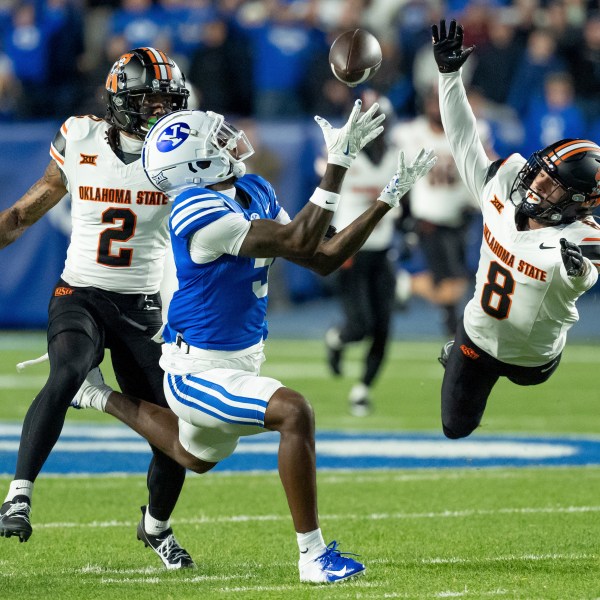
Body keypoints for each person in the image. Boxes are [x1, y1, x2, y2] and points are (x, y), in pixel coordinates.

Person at [71, 102, 436, 582]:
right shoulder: (195, 211)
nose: (229, 140)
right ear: (195, 165)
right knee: (294, 411)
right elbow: (302, 240)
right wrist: (339, 164)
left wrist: (387, 199)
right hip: (197, 369)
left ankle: (94, 393)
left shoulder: (253, 188)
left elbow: (320, 256)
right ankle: (313, 557)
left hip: (241, 361)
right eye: (216, 140)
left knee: (193, 456)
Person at [0, 47, 196, 570]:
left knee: (177, 435)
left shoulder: (182, 153)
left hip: (143, 303)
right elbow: (25, 210)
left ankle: (155, 526)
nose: (161, 111)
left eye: (167, 101)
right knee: (67, 370)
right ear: (120, 102)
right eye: (149, 101)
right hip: (80, 291)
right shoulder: (80, 136)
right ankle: (18, 493)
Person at [431, 19, 600, 440]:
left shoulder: (583, 238)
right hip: (479, 333)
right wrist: (449, 77)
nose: (536, 183)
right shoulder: (505, 186)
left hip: (535, 359)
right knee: (455, 428)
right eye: (540, 172)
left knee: (527, 377)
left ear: (578, 203)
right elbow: (465, 140)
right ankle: (461, 349)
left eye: (551, 184)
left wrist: (577, 275)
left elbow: (584, 272)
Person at [323, 92, 402, 417]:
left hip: (382, 253)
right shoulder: (343, 156)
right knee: (361, 326)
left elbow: (404, 200)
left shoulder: (397, 155)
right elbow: (323, 198)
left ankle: (362, 390)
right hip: (350, 251)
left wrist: (407, 231)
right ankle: (337, 339)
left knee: (383, 329)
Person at [391, 84, 491, 336]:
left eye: (440, 103)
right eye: (432, 102)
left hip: (460, 214)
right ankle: (444, 318)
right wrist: (400, 214)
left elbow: (487, 160)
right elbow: (397, 174)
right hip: (429, 216)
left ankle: (415, 291)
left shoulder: (469, 130)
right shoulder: (411, 134)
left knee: (455, 279)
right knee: (452, 281)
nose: (437, 108)